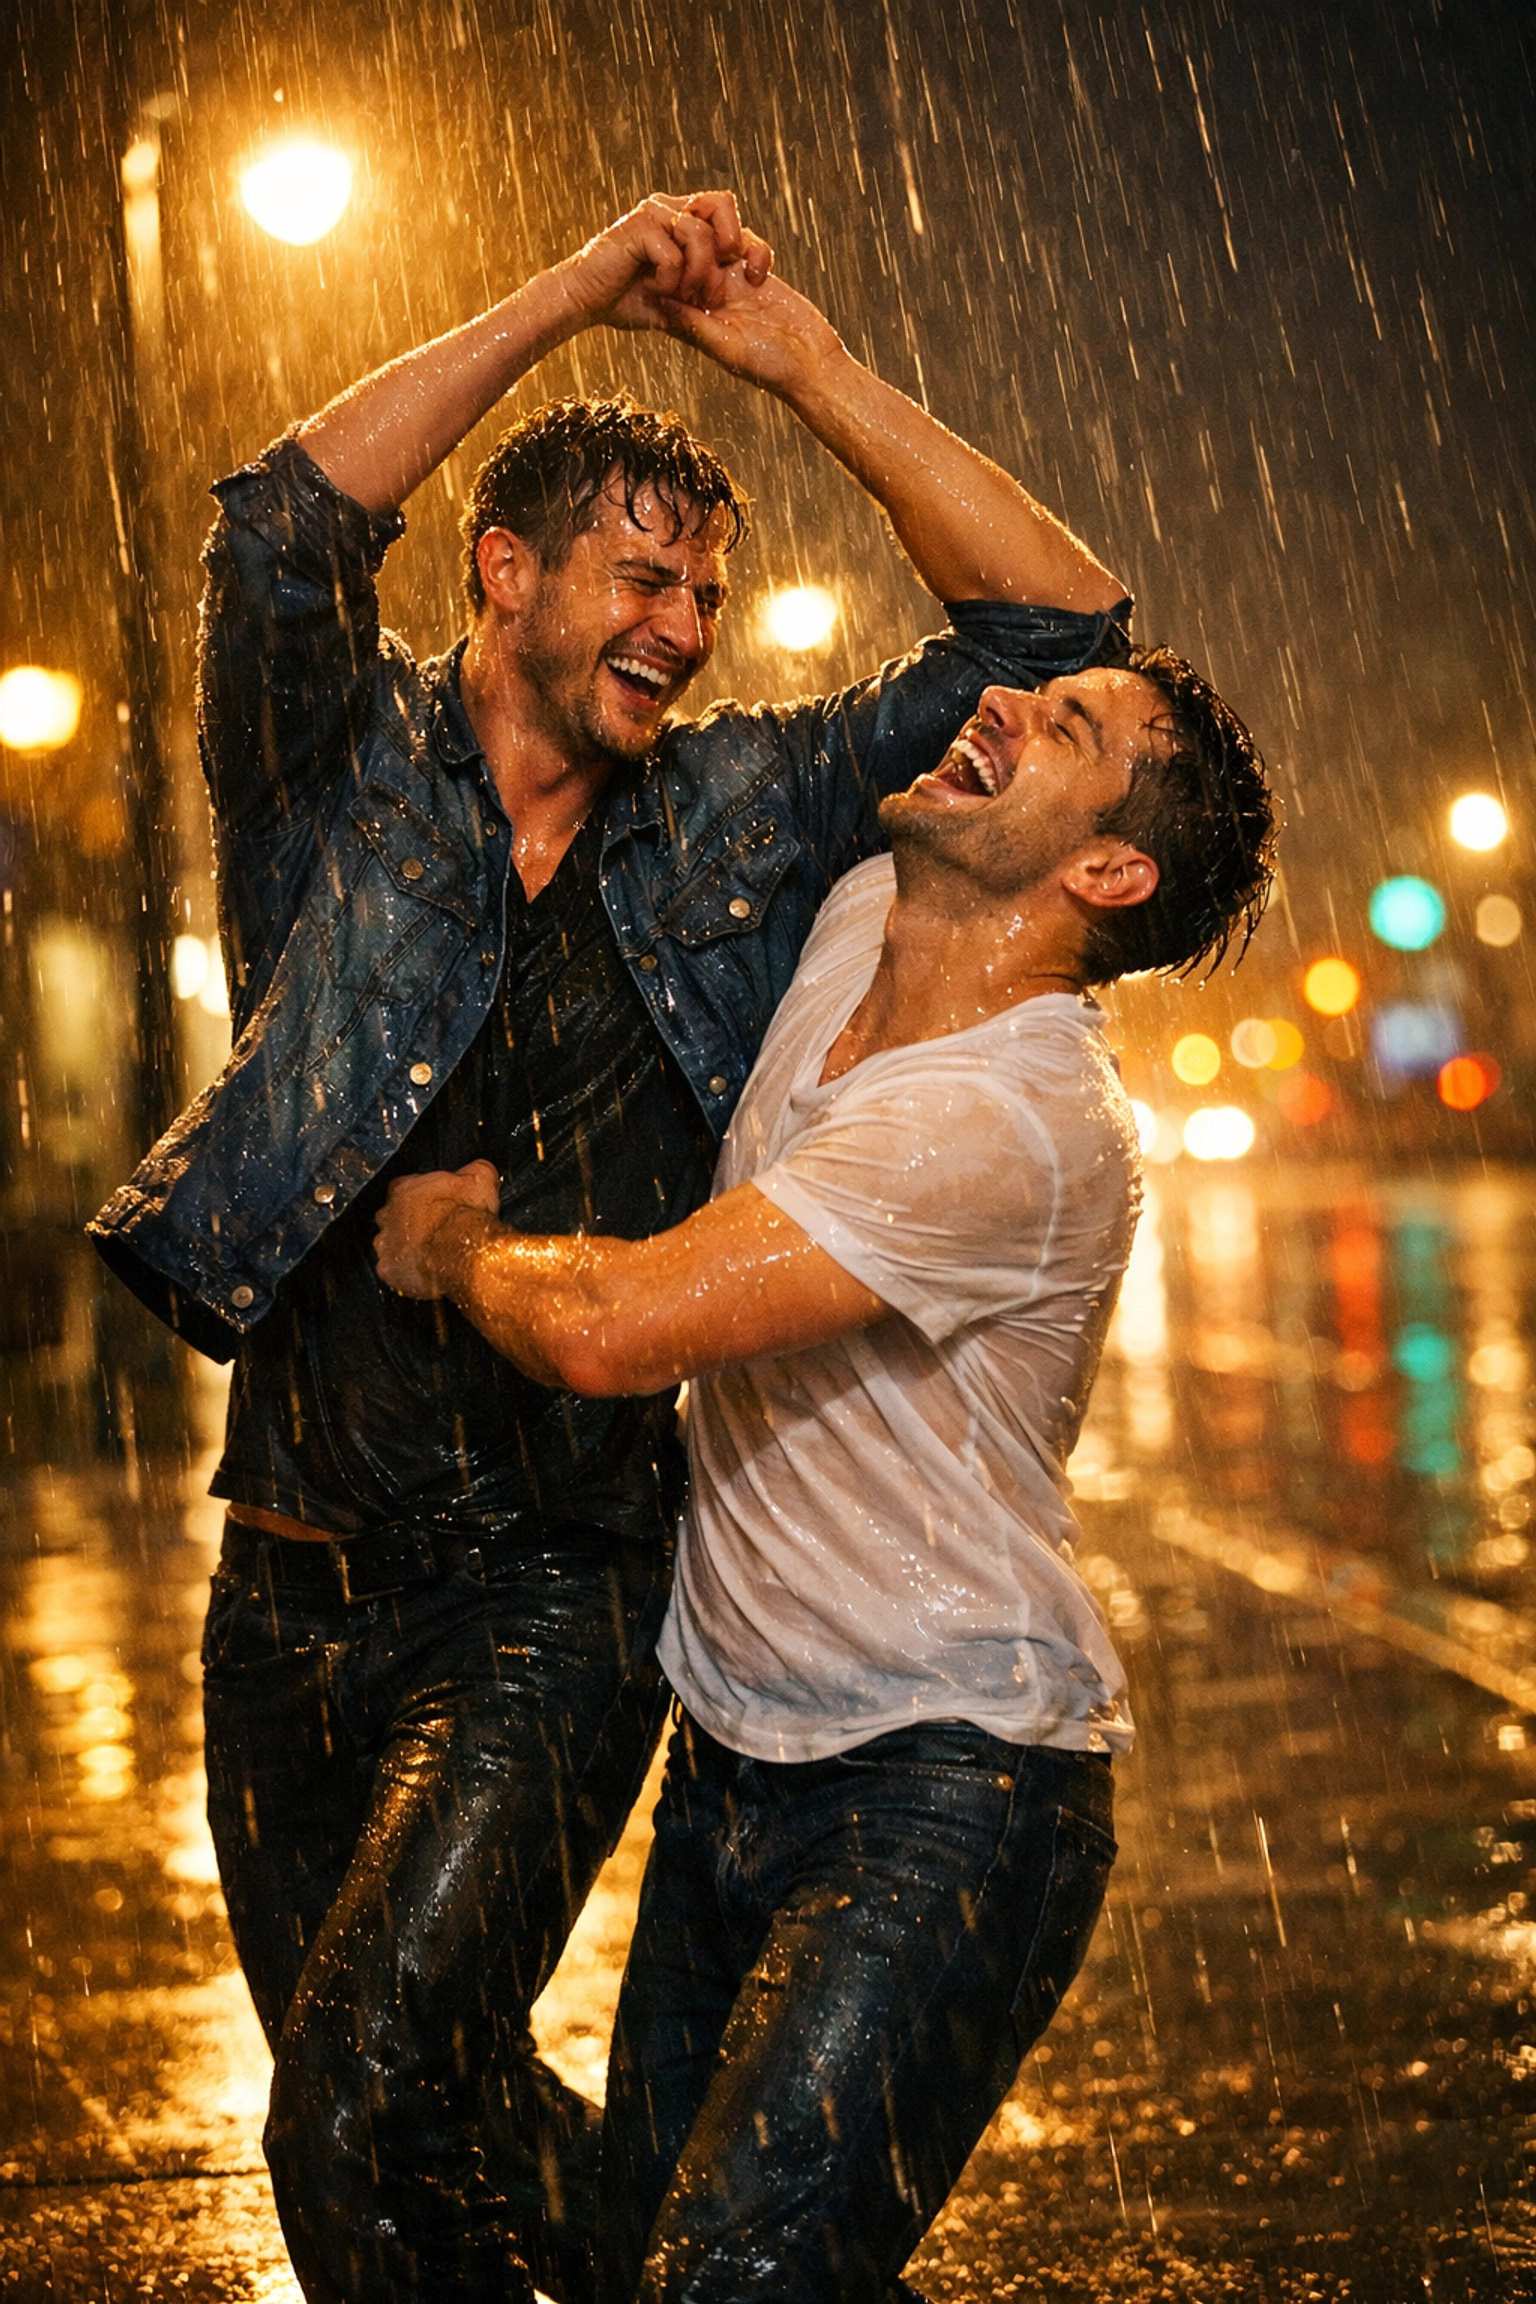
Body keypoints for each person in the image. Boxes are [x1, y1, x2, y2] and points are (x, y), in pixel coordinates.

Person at [88, 189, 1141, 2304]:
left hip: (557, 1586)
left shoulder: (741, 810)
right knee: (425, 2114)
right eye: (642, 574)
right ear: (507, 573)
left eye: (707, 591)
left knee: (359, 2098)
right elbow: (284, 522)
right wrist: (582, 284)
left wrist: (796, 363)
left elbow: (1057, 631)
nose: (685, 621)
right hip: (282, 1571)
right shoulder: (336, 774)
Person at [373, 648, 1274, 2302]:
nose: (999, 709)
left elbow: (618, 1330)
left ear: (1108, 875)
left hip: (948, 1789)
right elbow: (1033, 604)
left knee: (733, 2281)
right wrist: (802, 367)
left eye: (1062, 726)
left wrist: (458, 1248)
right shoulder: (865, 907)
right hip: (740, 1761)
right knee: (681, 2266)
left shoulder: (1008, 1118)